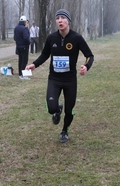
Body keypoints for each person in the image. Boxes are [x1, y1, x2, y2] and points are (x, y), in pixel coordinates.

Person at [25, 9, 94, 143]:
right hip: (54, 79)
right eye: (58, 18)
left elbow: (89, 56)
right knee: (51, 108)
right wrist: (34, 65)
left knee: (70, 110)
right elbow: (45, 54)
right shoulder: (52, 38)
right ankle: (57, 109)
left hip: (70, 80)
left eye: (63, 18)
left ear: (68, 21)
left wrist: (86, 66)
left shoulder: (76, 38)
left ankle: (65, 131)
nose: (60, 20)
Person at [14, 15, 30, 80]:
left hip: (18, 47)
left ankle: (20, 74)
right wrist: (28, 43)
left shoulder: (16, 28)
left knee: (20, 60)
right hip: (24, 47)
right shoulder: (24, 29)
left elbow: (15, 38)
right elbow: (26, 38)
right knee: (24, 61)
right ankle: (24, 74)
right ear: (24, 21)